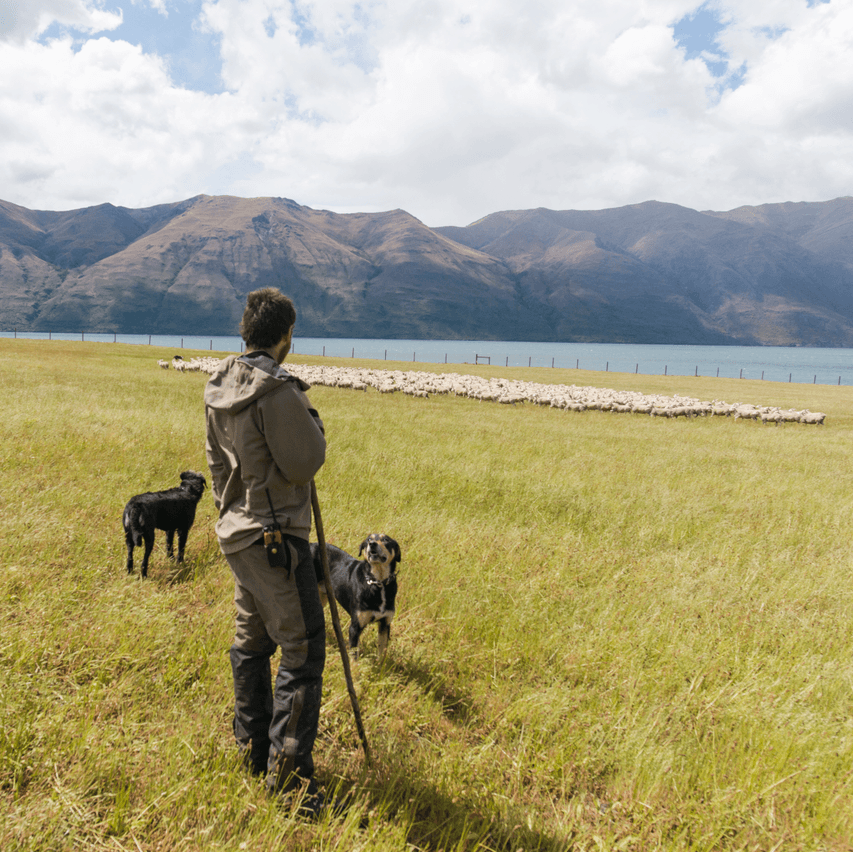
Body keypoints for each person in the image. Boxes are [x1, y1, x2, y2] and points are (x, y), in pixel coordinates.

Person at [204, 287, 327, 803]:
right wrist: (313, 421)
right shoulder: (277, 392)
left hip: (238, 535)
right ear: (286, 335)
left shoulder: (219, 385)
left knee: (251, 641)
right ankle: (291, 783)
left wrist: (232, 514)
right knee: (302, 651)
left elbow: (215, 465)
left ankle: (252, 750)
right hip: (277, 540)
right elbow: (306, 460)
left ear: (244, 330)